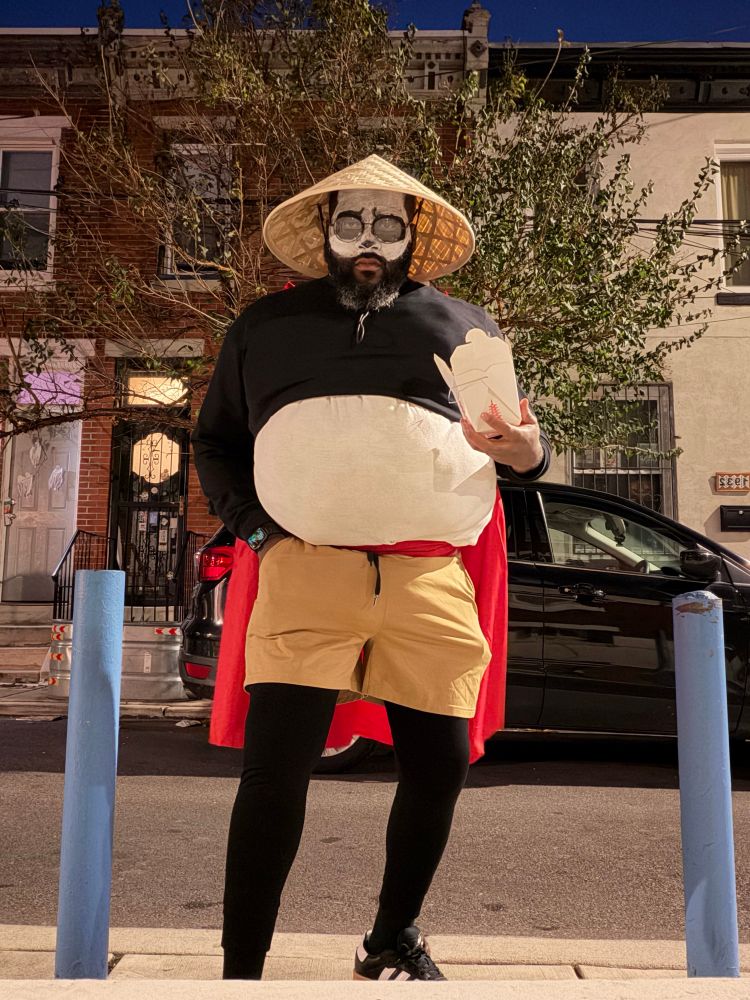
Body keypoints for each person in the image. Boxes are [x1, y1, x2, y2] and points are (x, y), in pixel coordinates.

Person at [191, 154, 551, 982]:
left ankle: (391, 935)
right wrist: (259, 533)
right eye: (350, 222)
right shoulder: (262, 328)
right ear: (326, 232)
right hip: (305, 571)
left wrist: (529, 450)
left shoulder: (468, 328)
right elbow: (215, 441)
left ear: (411, 236)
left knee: (440, 764)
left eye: (387, 225)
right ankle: (240, 974)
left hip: (429, 576)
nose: (367, 242)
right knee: (275, 773)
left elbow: (523, 454)